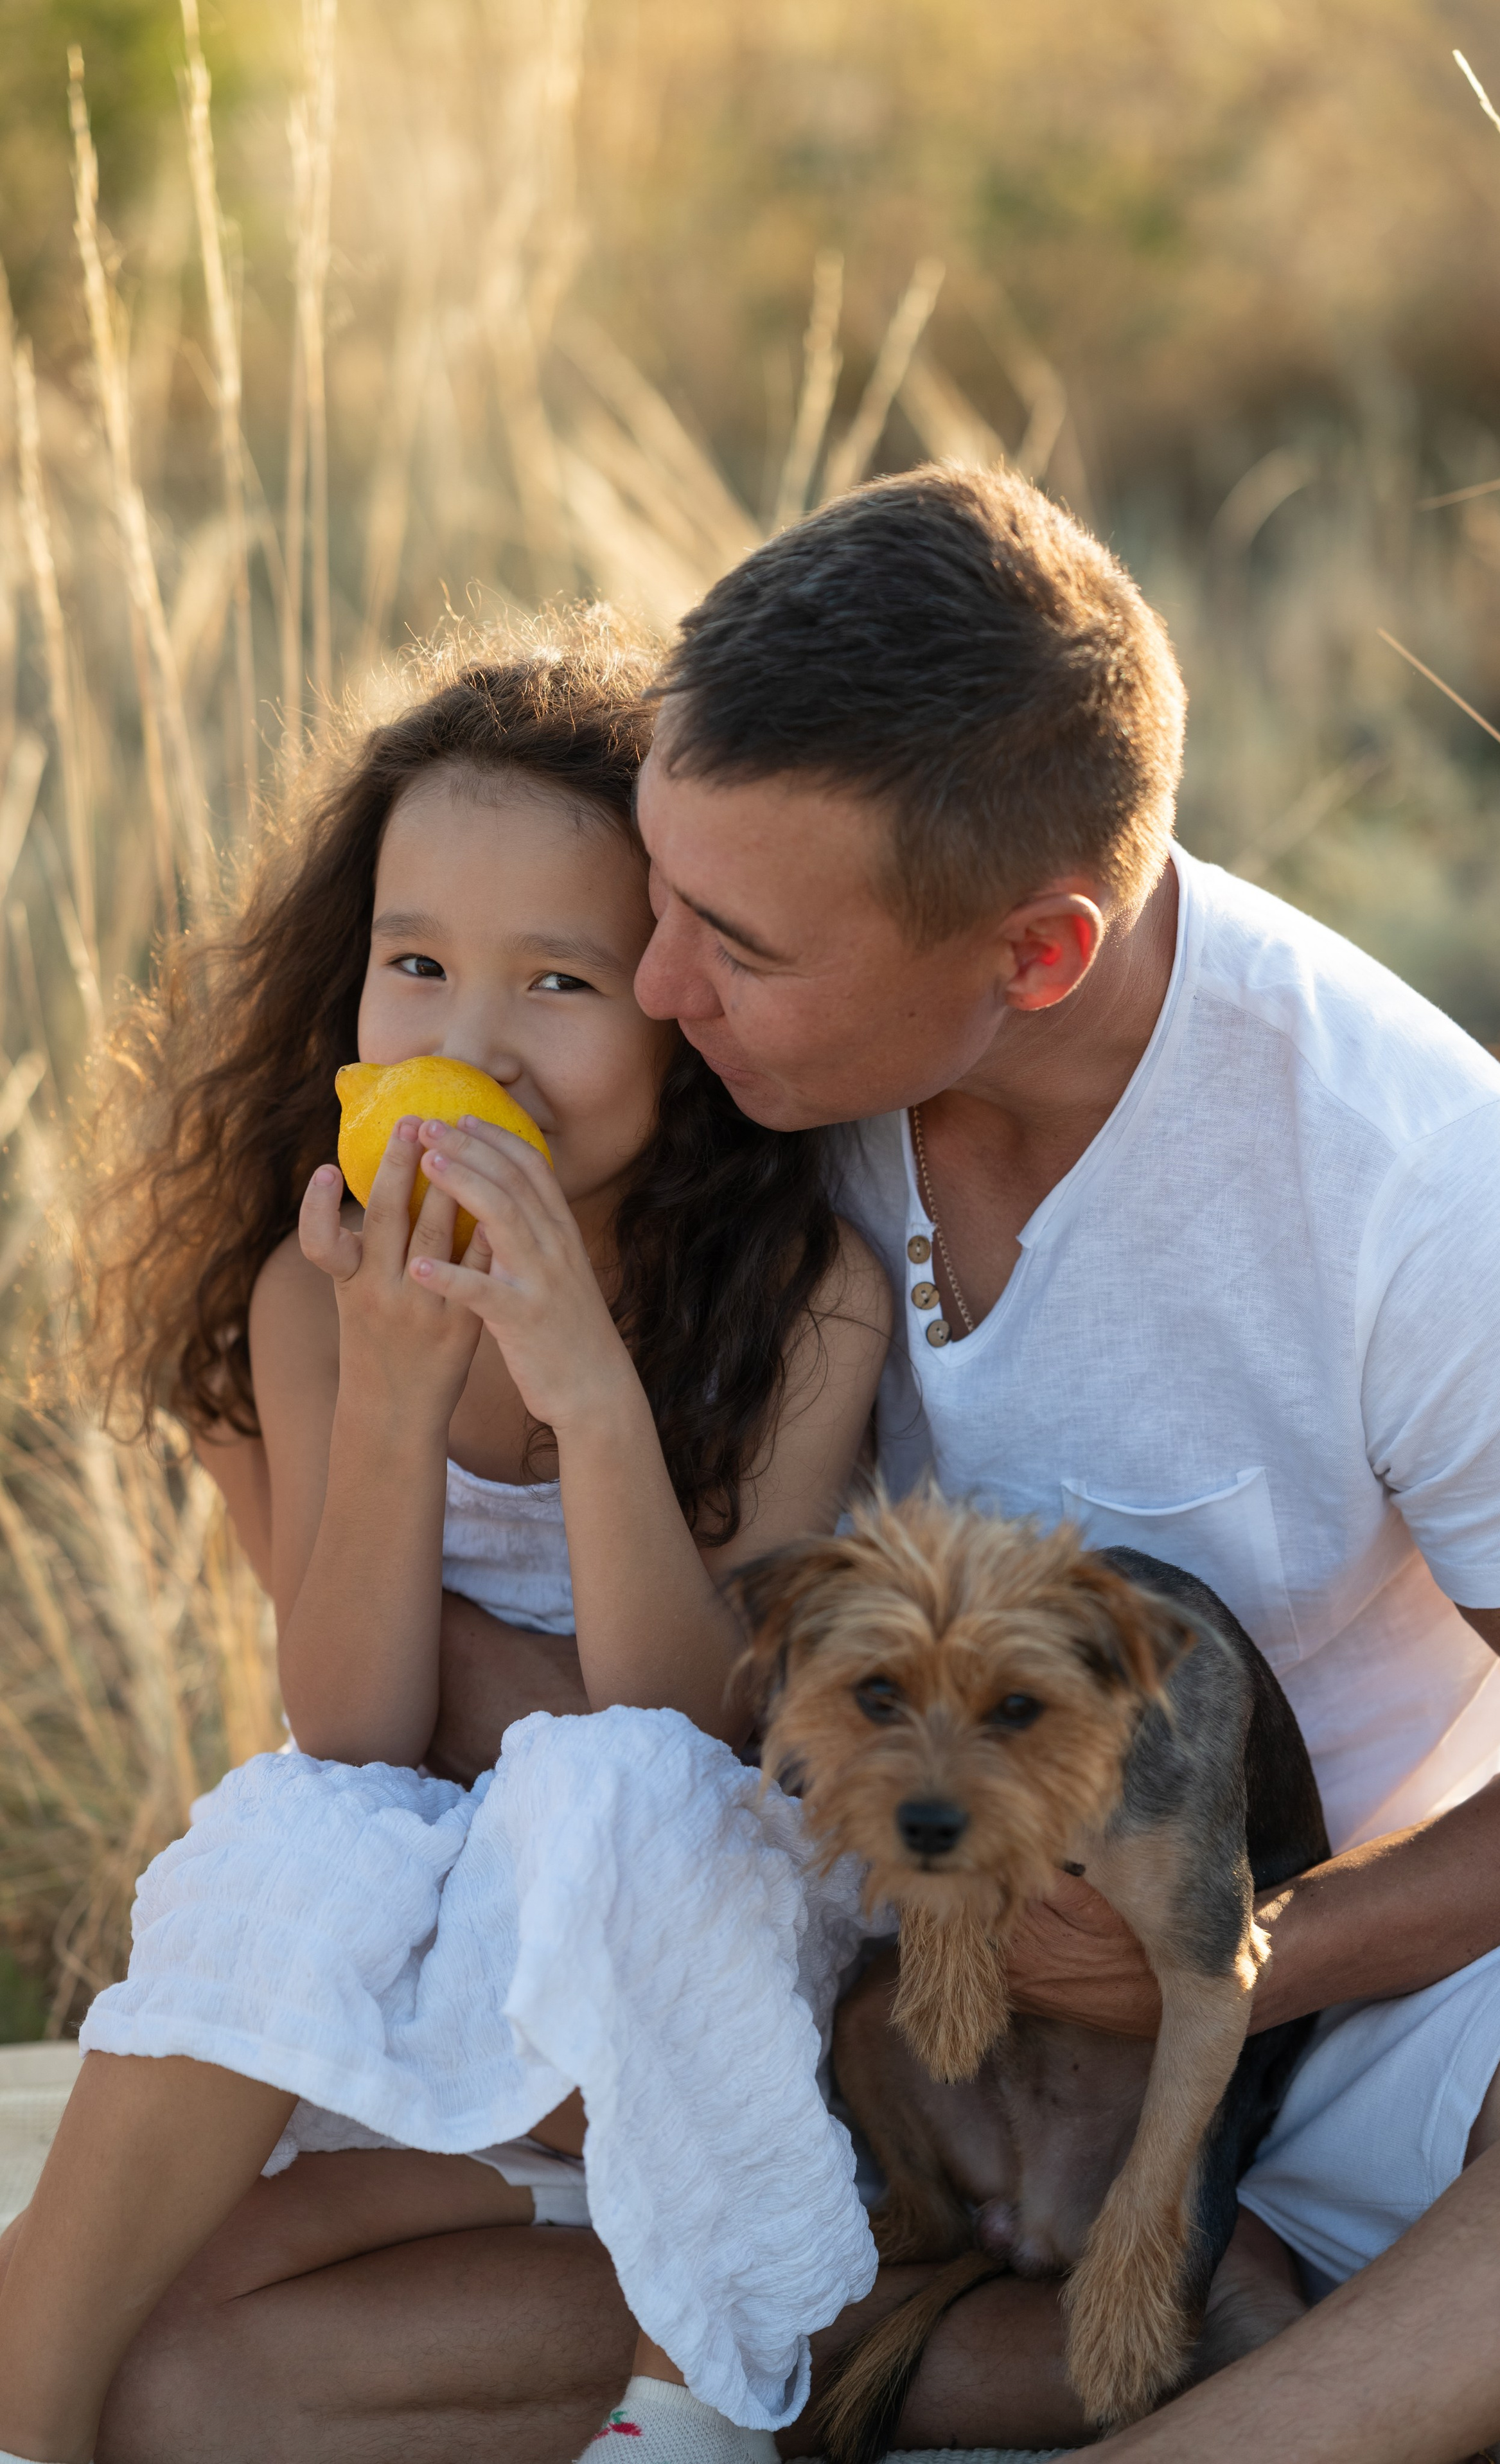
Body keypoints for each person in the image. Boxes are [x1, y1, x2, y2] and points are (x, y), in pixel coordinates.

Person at [27, 465, 1500, 2464]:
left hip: (1310, 2009)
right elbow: (507, 1693)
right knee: (200, 2387)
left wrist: (1226, 1963)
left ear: (1033, 957)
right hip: (834, 2009)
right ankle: (908, 2353)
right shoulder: (738, 1111)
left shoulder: (1413, 1195)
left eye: (725, 943)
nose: (667, 990)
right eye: (661, 903)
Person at [0, 619, 889, 2464]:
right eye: (415, 964)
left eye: (557, 981)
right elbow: (347, 1726)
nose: (469, 1039)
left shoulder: (802, 1295)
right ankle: (26, 2410)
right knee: (292, 1827)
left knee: (615, 1788)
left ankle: (678, 2399)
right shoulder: (317, 1293)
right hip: (425, 1969)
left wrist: (586, 1390)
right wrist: (400, 1393)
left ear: (678, 996)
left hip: (685, 1976)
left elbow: (705, 1730)